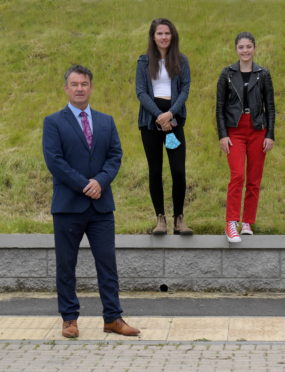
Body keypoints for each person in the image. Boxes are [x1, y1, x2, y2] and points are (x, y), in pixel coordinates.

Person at [43, 65, 140, 338]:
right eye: (74, 84)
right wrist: (84, 184)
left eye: (84, 84)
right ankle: (69, 319)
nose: (79, 88)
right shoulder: (53, 122)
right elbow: (55, 161)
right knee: (66, 266)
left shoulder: (106, 121)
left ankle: (113, 318)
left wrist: (100, 181)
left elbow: (115, 156)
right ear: (66, 88)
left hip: (101, 207)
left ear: (91, 87)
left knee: (107, 264)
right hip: (67, 207)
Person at [216, 32, 275, 243]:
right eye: (241, 47)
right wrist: (223, 135)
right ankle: (231, 222)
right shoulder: (227, 74)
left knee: (254, 179)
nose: (245, 51)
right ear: (236, 50)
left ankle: (247, 222)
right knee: (238, 175)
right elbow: (220, 107)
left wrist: (270, 134)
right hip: (235, 131)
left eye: (249, 46)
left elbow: (270, 107)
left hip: (258, 130)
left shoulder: (263, 74)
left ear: (254, 48)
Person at [136, 18, 192, 235]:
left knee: (178, 170)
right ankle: (160, 218)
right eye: (159, 33)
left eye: (167, 33)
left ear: (173, 35)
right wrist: (159, 116)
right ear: (153, 36)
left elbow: (185, 90)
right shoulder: (143, 62)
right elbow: (141, 91)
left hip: (174, 120)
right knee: (155, 170)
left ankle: (179, 218)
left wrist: (170, 114)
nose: (164, 37)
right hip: (151, 122)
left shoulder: (181, 60)